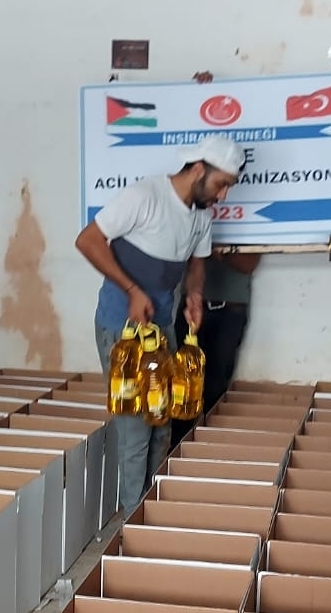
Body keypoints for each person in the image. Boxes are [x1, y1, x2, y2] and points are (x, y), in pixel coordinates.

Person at [75, 133, 245, 509]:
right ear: (198, 169)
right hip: (122, 329)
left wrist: (195, 295)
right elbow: (87, 240)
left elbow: (197, 263)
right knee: (136, 429)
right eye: (221, 185)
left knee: (161, 420)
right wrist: (132, 290)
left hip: (163, 328)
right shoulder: (145, 196)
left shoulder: (201, 215)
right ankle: (131, 521)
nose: (222, 196)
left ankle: (149, 509)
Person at [170, 249, 260, 445]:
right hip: (191, 309)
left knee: (215, 390)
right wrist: (209, 250)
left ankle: (207, 452)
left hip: (230, 312)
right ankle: (176, 452)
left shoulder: (250, 229)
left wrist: (210, 250)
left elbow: (248, 263)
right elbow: (175, 254)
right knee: (181, 387)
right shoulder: (192, 227)